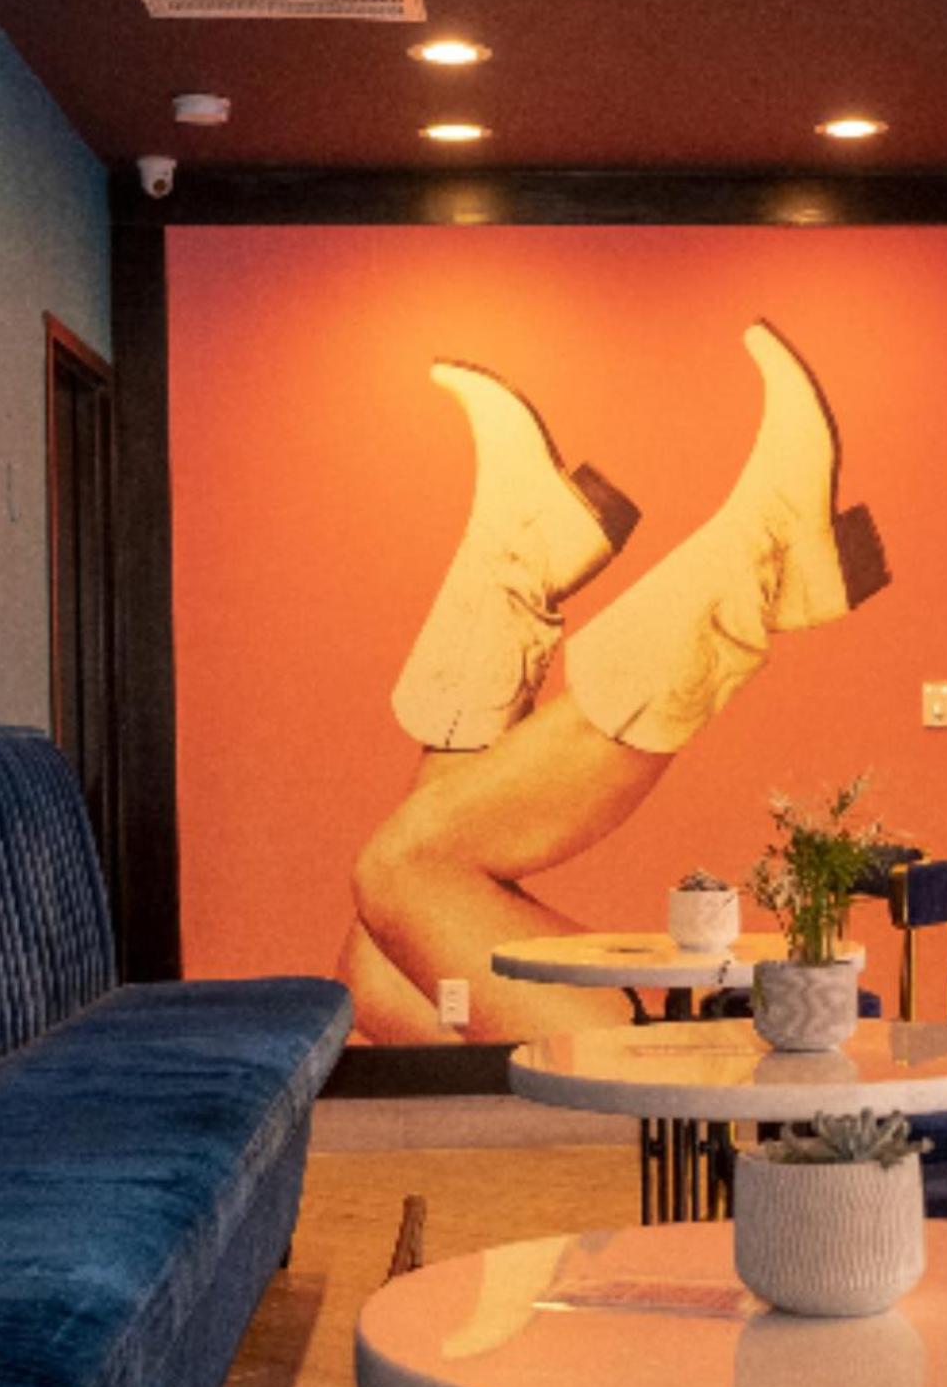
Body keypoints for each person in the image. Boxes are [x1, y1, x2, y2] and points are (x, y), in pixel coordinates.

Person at [339, 319, 890, 1042]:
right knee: (396, 891)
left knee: (381, 952)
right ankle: (762, 555)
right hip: (689, 1067)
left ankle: (535, 556)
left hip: (665, 1065)